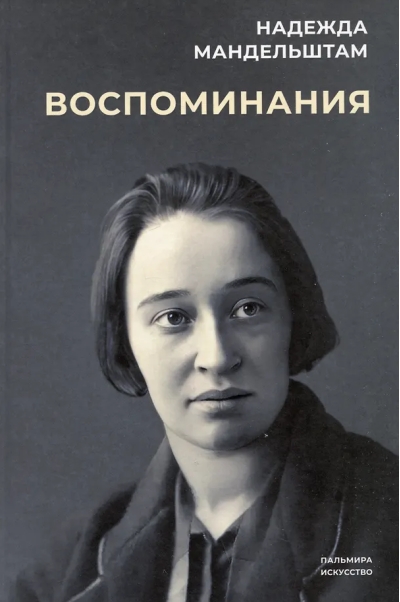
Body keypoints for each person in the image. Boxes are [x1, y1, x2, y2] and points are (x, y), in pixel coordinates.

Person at [13, 164, 397, 602]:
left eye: (248, 308)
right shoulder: (68, 570)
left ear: (293, 316)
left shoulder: (390, 519)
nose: (216, 357)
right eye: (173, 317)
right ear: (125, 340)